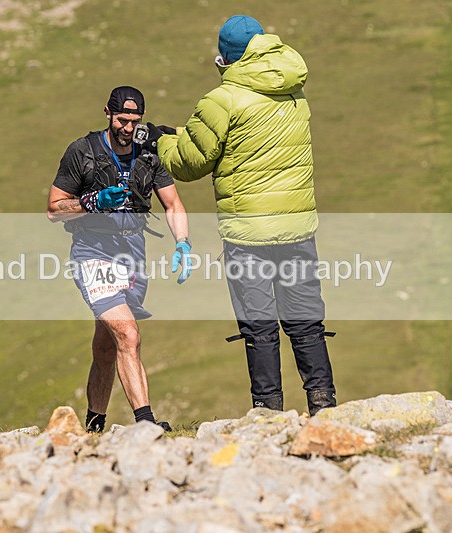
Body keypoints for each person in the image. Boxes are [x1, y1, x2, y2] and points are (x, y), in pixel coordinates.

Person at [143, 15, 337, 415]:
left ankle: (267, 414)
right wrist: (178, 134)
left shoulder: (223, 100)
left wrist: (159, 143)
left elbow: (193, 162)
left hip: (248, 234)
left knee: (260, 327)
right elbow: (244, 137)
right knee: (304, 322)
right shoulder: (295, 93)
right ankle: (324, 405)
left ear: (226, 60)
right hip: (297, 227)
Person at [46, 86, 192, 432]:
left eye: (135, 121)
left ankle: (94, 425)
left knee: (106, 347)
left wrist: (182, 243)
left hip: (133, 256)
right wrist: (91, 202)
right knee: (128, 335)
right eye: (122, 120)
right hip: (93, 253)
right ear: (108, 113)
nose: (128, 128)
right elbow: (53, 209)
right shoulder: (82, 151)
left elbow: (173, 204)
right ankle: (146, 423)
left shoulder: (147, 153)